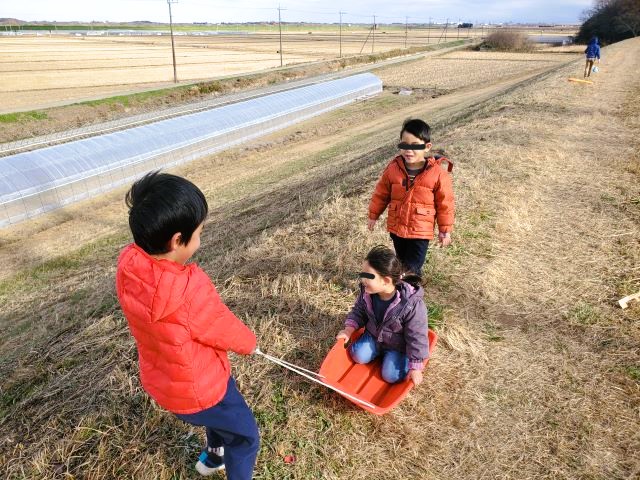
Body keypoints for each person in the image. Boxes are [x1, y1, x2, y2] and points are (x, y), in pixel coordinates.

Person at [115, 171, 259, 479]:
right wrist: (250, 344)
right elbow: (222, 325)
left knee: (215, 416)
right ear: (177, 240)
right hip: (201, 386)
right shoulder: (188, 289)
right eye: (199, 232)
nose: (200, 238)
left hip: (166, 384)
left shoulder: (129, 267)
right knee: (245, 436)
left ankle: (213, 457)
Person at [367, 118, 455, 276]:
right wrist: (373, 215)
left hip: (420, 231)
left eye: (415, 146)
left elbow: (445, 205)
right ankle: (401, 289)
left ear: (427, 147)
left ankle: (411, 295)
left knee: (413, 267)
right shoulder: (393, 169)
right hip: (397, 229)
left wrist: (445, 230)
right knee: (401, 262)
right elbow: (381, 194)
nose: (408, 150)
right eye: (404, 145)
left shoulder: (438, 174)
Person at [336, 245, 429, 385]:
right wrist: (348, 330)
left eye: (368, 275)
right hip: (374, 337)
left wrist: (416, 366)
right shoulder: (368, 293)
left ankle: (394, 359)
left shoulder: (411, 305)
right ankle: (379, 353)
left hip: (397, 345)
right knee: (357, 355)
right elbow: (359, 311)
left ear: (385, 281)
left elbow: (417, 336)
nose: (362, 279)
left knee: (391, 376)